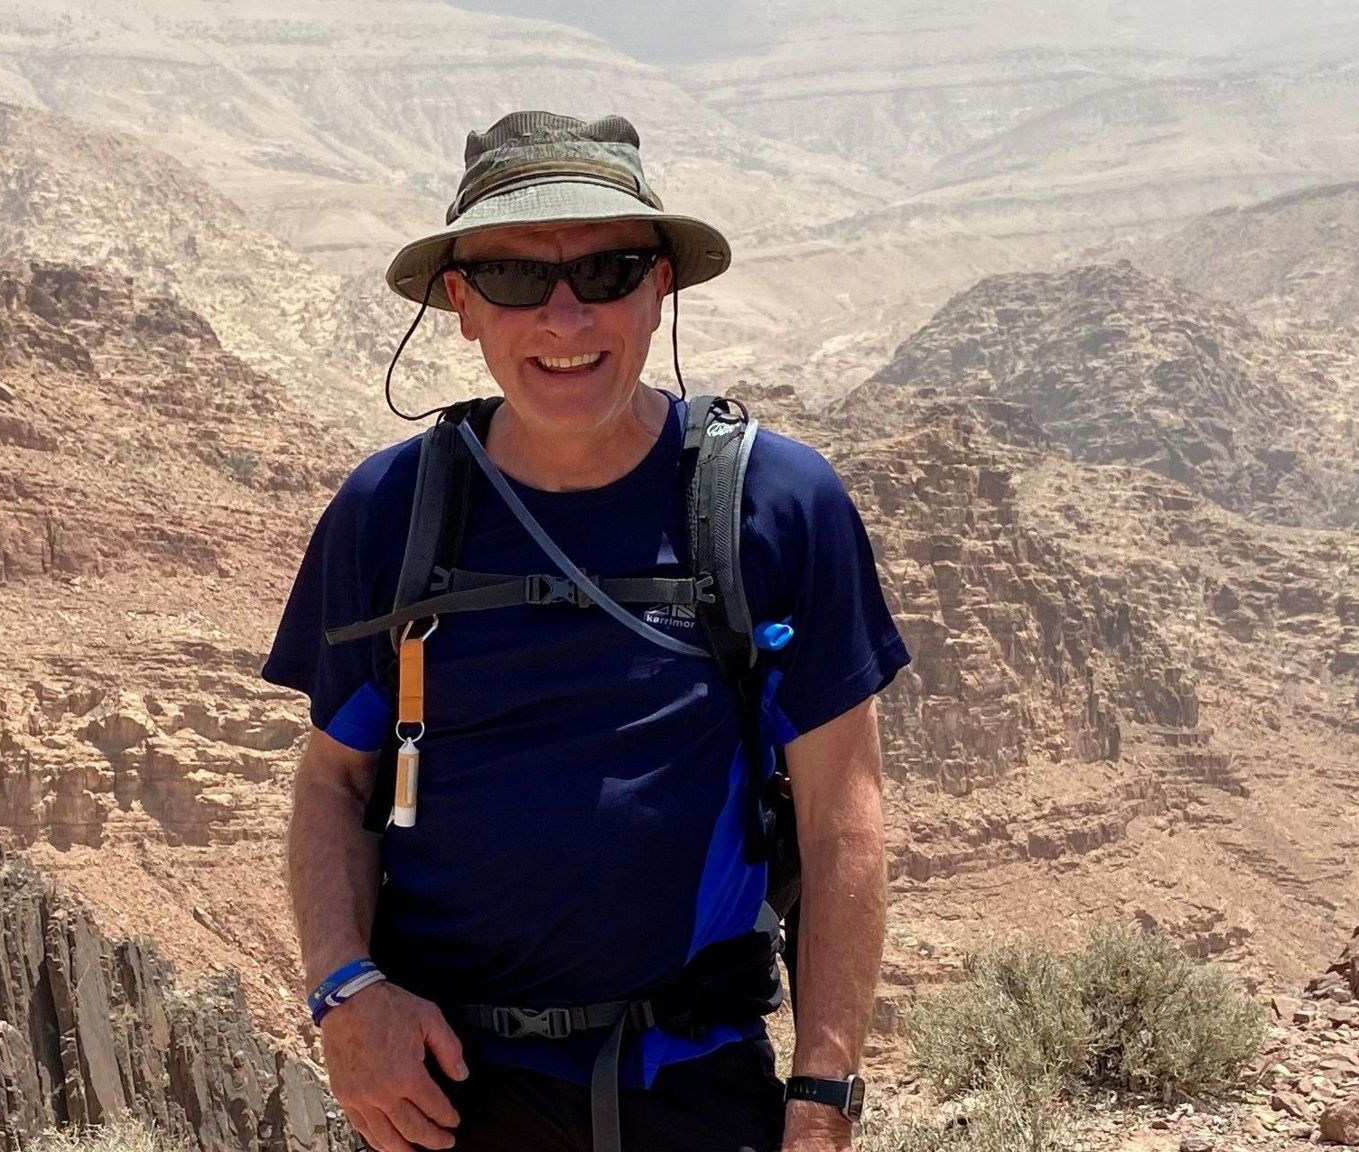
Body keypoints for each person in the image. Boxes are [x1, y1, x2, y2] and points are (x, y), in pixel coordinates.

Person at [263, 110, 908, 1152]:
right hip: (447, 1100)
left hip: (700, 1098)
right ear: (460, 305)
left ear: (660, 287)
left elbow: (844, 817)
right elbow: (332, 781)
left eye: (605, 270)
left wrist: (821, 1096)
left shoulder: (776, 506)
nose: (564, 318)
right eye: (517, 278)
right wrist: (345, 992)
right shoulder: (389, 513)